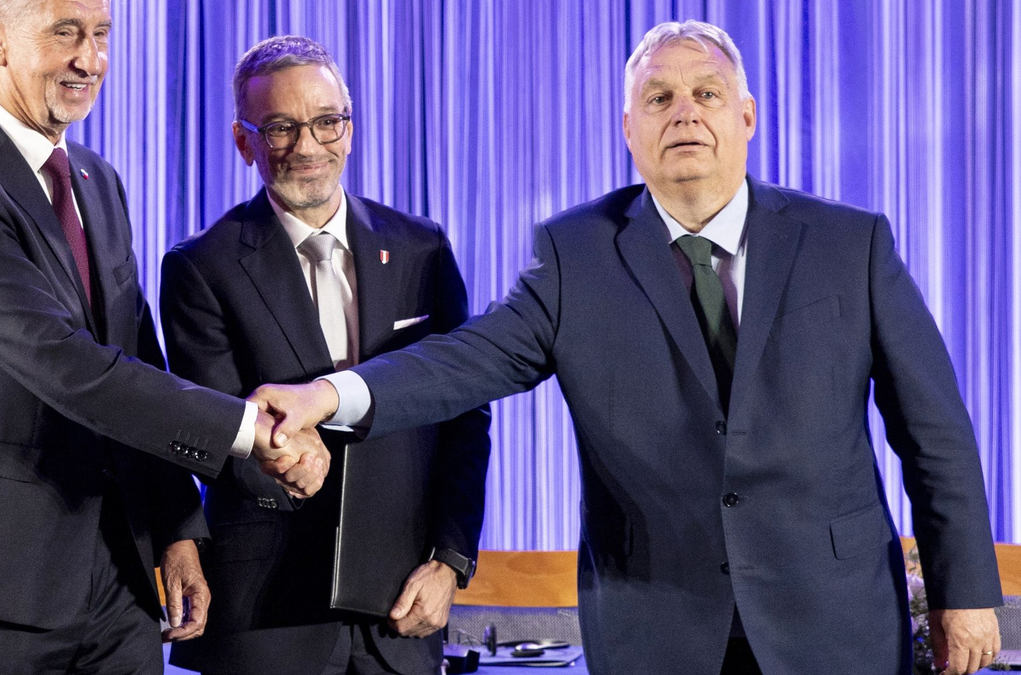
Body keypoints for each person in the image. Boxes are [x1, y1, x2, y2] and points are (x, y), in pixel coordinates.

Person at [251, 20, 1003, 675]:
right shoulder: (576, 254)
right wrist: (328, 395)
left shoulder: (849, 243)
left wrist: (965, 592)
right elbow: (463, 360)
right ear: (628, 129)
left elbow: (934, 431)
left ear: (747, 116)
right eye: (659, 98)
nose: (685, 113)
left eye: (707, 94)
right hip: (657, 629)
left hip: (836, 625)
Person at [0, 2, 327, 673]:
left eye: (100, 35)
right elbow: (69, 366)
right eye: (65, 33)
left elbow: (136, 356)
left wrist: (176, 531)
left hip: (117, 588)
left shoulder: (97, 180)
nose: (89, 60)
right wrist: (247, 429)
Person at [161, 36, 491, 675]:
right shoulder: (201, 266)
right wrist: (286, 461)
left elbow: (464, 412)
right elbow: (212, 429)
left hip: (401, 609)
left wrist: (451, 561)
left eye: (326, 122)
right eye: (280, 127)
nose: (308, 146)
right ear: (243, 141)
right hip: (267, 614)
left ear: (350, 128)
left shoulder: (422, 247)